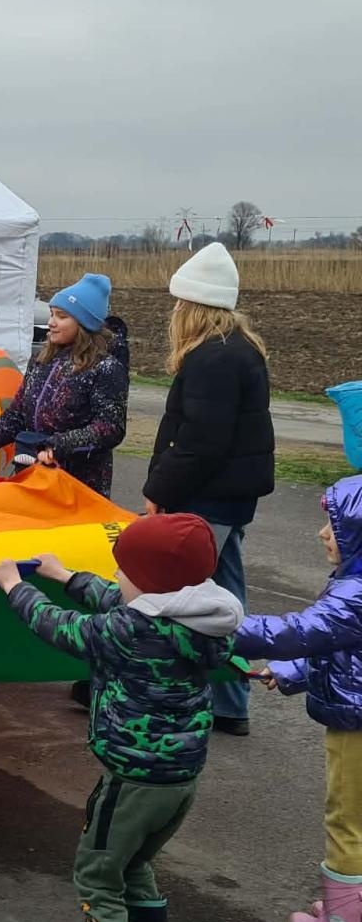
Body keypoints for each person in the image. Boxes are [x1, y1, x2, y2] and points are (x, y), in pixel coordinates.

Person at [0, 514, 243, 922]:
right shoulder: (205, 619)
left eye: (123, 570)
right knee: (134, 864)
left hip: (132, 780)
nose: (118, 578)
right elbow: (123, 602)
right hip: (179, 779)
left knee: (98, 872)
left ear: (147, 583)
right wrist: (68, 577)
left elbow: (66, 629)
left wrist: (15, 586)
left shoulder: (131, 629)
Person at [143, 242, 274, 737]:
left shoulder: (213, 359)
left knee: (182, 596)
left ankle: (162, 691)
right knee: (225, 595)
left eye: (180, 302)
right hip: (229, 497)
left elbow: (201, 442)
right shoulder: (236, 350)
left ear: (195, 307)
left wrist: (159, 489)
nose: (174, 311)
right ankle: (230, 698)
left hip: (209, 498)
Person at [234, 475, 362, 922]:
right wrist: (290, 673)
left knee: (346, 818)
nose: (323, 534)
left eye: (334, 526)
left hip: (356, 724)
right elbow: (338, 647)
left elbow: (299, 631)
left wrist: (214, 620)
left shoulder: (356, 591)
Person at [0, 273, 129, 495]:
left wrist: (59, 446)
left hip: (76, 485)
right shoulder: (40, 361)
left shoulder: (106, 369)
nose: (51, 323)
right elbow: (16, 416)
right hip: (30, 473)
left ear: (84, 323)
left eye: (61, 316)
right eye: (51, 314)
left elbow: (110, 428)